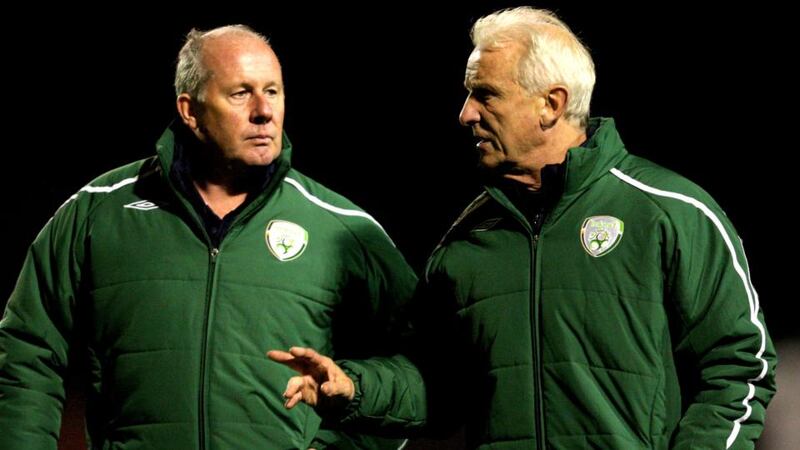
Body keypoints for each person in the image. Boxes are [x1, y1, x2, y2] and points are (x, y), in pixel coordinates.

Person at [269, 7, 778, 449]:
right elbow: (439, 388)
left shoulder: (669, 212)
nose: (465, 114)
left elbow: (740, 369)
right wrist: (355, 388)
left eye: (485, 95)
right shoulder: (465, 243)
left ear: (551, 104)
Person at [0, 25, 417, 450]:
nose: (263, 111)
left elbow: (425, 373)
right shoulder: (98, 211)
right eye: (241, 94)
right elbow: (28, 348)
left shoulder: (341, 226)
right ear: (190, 110)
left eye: (273, 91)